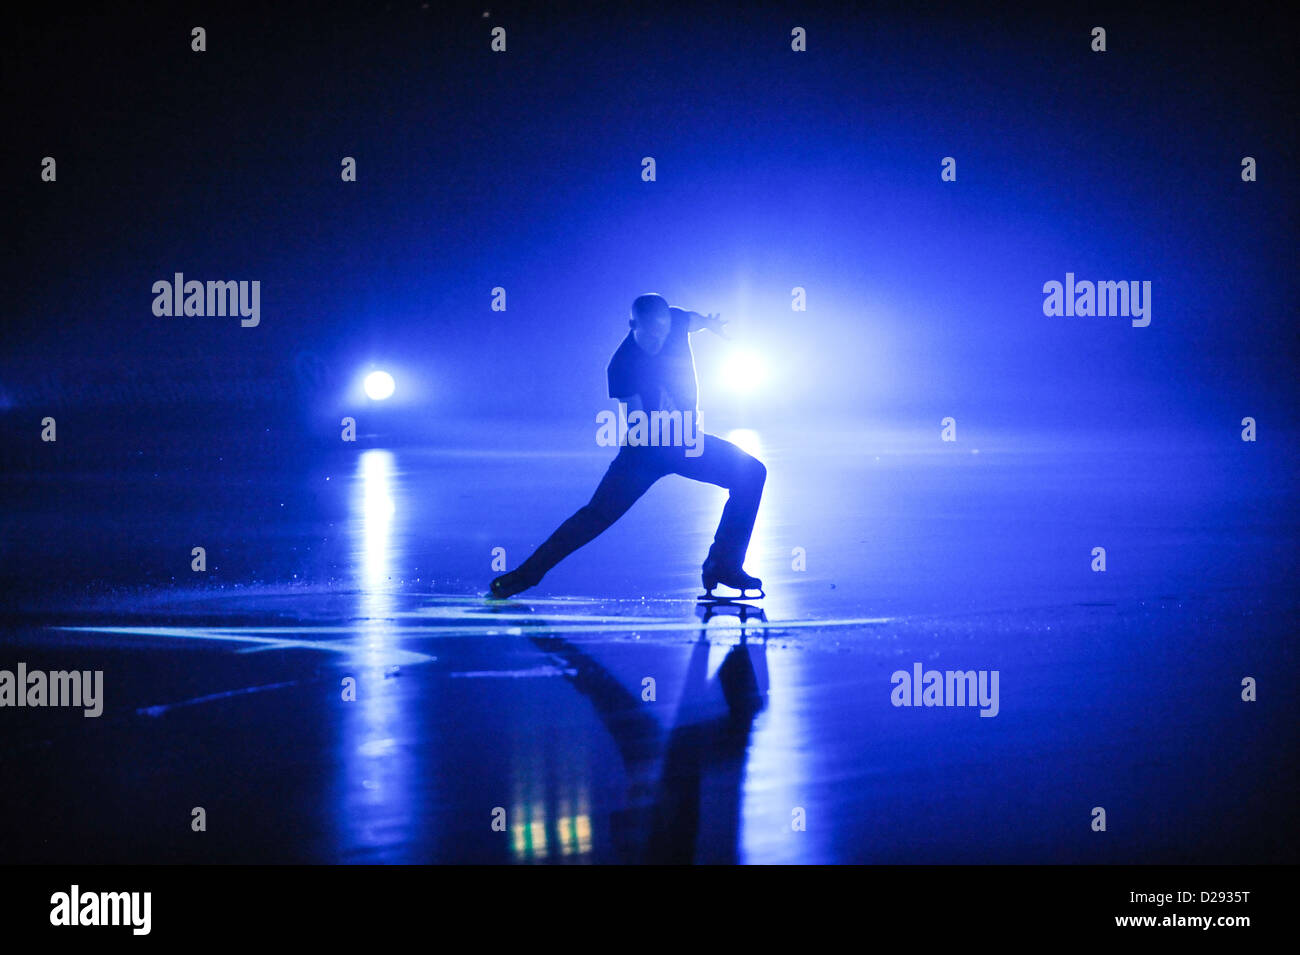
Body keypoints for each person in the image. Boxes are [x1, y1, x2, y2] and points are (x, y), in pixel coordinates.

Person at [490, 292, 767, 599]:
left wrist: (710, 324)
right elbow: (637, 425)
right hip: (646, 450)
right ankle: (523, 576)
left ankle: (723, 564)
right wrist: (662, 420)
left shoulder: (675, 321)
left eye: (663, 334)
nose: (657, 342)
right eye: (650, 335)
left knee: (752, 474)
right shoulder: (622, 365)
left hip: (685, 441)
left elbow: (692, 320)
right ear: (633, 325)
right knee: (595, 516)